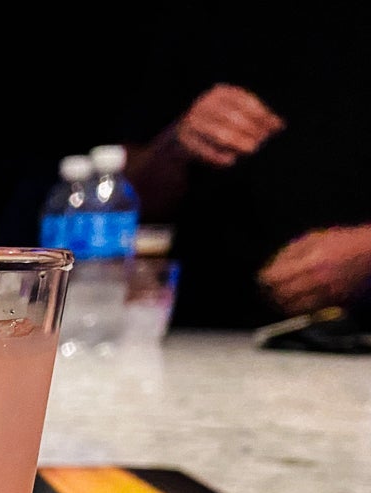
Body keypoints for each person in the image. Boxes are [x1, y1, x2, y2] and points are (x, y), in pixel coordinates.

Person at [119, 17, 371, 329]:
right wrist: (174, 147)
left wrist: (366, 254)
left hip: (358, 338)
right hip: (203, 331)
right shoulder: (200, 25)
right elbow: (118, 193)